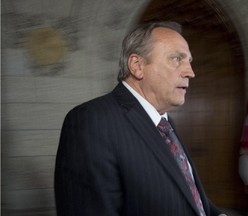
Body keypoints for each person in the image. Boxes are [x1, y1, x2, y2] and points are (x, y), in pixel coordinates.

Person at [54, 21, 227, 216]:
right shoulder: (90, 122)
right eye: (177, 59)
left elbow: (187, 194)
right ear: (137, 66)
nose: (190, 72)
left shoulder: (165, 124)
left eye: (189, 61)